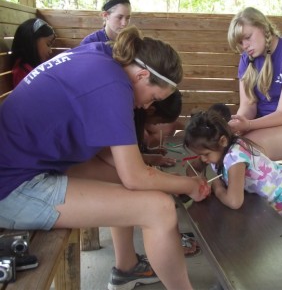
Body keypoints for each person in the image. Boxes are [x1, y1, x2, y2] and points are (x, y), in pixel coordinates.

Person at [0, 25, 211, 290]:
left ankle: (126, 268)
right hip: (13, 188)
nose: (146, 106)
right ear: (143, 75)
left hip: (25, 164)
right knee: (160, 208)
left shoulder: (101, 57)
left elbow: (113, 158)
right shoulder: (114, 84)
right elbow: (135, 177)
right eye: (153, 97)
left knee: (132, 186)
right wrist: (190, 185)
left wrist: (152, 173)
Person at [183, 110, 282, 263]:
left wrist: (217, 188)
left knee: (274, 244)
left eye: (206, 155)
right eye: (200, 155)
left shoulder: (235, 158)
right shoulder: (217, 149)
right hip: (276, 199)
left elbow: (234, 201)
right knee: (267, 242)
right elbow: (192, 167)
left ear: (223, 141)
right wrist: (198, 179)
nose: (203, 159)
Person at [226, 7, 282, 193]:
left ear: (263, 28)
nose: (244, 45)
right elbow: (248, 105)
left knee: (245, 151)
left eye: (248, 37)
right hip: (262, 122)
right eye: (240, 41)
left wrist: (249, 125)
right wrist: (236, 124)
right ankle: (239, 197)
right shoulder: (247, 59)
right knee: (227, 143)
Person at [11, 18, 56, 88]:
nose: (50, 51)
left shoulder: (30, 69)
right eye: (48, 44)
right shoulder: (22, 72)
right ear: (32, 41)